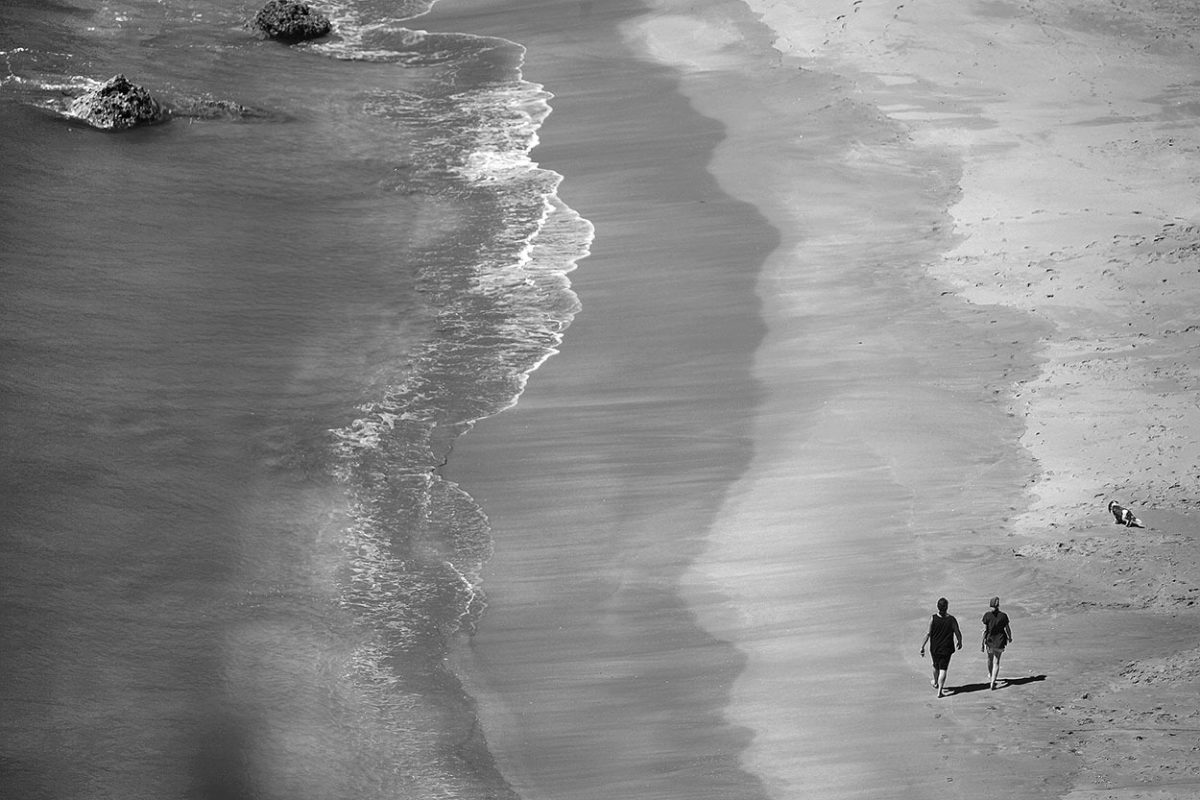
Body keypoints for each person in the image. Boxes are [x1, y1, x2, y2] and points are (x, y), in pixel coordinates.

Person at [920, 597, 962, 698]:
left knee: (935, 665)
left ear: (937, 607)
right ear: (947, 607)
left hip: (935, 647)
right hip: (946, 648)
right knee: (943, 669)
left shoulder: (933, 618)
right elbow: (957, 632)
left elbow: (928, 633)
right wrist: (960, 641)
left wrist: (922, 646)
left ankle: (935, 682)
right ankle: (939, 691)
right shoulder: (951, 619)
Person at [981, 596, 1012, 690]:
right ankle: (992, 682)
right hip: (1000, 641)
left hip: (989, 641)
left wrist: (982, 643)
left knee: (989, 659)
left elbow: (984, 631)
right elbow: (1007, 628)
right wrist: (1010, 637)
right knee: (997, 662)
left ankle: (991, 675)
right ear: (998, 605)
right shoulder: (1003, 616)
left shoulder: (987, 615)